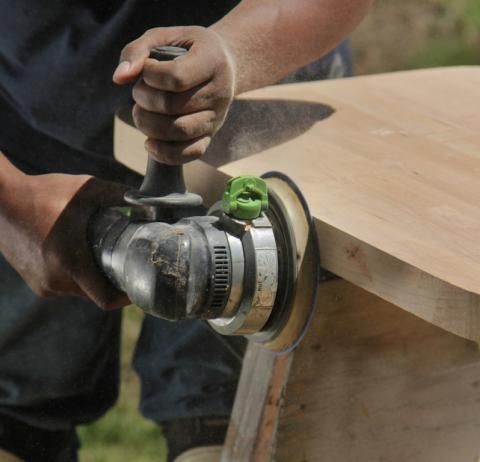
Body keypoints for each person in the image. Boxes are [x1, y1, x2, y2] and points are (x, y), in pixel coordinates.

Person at [0, 1, 373, 461]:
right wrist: (10, 201)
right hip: (27, 130)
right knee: (15, 412)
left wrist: (235, 55)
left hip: (253, 132)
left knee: (227, 417)